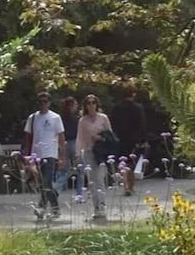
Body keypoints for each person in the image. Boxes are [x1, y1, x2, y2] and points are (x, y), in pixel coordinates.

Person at [23, 90, 65, 220]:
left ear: (49, 103)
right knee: (42, 184)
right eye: (40, 102)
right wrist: (28, 157)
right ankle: (53, 206)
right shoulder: (33, 118)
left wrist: (62, 157)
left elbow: (61, 138)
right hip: (36, 155)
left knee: (46, 182)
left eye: (45, 102)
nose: (42, 104)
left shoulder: (55, 117)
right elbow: (28, 138)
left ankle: (42, 208)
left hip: (50, 154)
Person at [76, 93, 113, 222]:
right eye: (88, 103)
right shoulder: (83, 120)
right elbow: (79, 137)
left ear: (97, 104)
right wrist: (77, 154)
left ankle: (102, 205)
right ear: (85, 106)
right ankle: (96, 207)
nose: (91, 105)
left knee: (100, 179)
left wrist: (101, 138)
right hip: (88, 151)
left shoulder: (103, 118)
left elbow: (110, 136)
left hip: (101, 153)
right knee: (91, 180)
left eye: (93, 102)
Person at [108, 85, 146, 194]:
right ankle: (131, 186)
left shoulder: (117, 107)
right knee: (131, 163)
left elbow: (113, 123)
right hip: (134, 139)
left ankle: (125, 186)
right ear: (133, 94)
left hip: (120, 138)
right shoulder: (138, 108)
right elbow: (142, 124)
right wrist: (143, 139)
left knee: (122, 162)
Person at [59, 94, 81, 199]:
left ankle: (57, 189)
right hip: (74, 142)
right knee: (80, 169)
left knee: (64, 170)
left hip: (64, 143)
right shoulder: (77, 119)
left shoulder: (61, 118)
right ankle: (79, 193)